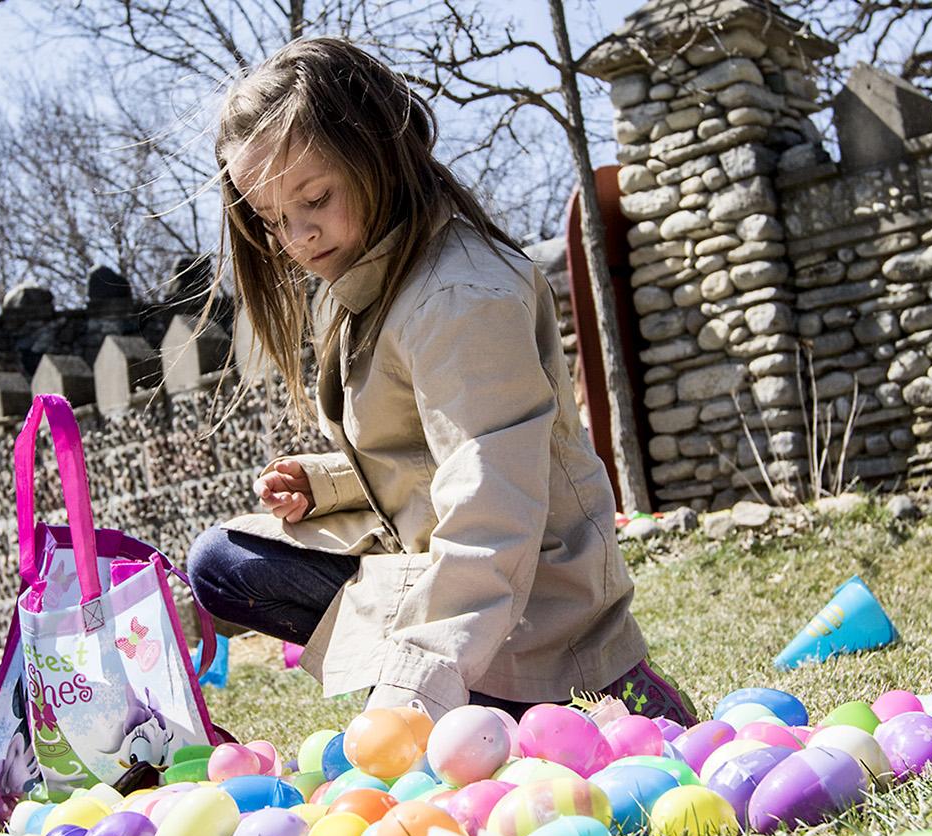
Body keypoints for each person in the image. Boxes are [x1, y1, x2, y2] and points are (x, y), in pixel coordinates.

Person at [185, 36, 696, 726]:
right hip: (447, 564)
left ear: (377, 152)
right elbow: (434, 447)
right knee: (225, 562)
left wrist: (419, 684)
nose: (297, 236)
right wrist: (331, 482)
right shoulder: (364, 275)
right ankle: (485, 696)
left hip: (535, 604)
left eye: (314, 197)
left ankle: (581, 691)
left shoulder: (460, 297)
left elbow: (495, 494)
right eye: (272, 219)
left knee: (244, 569)